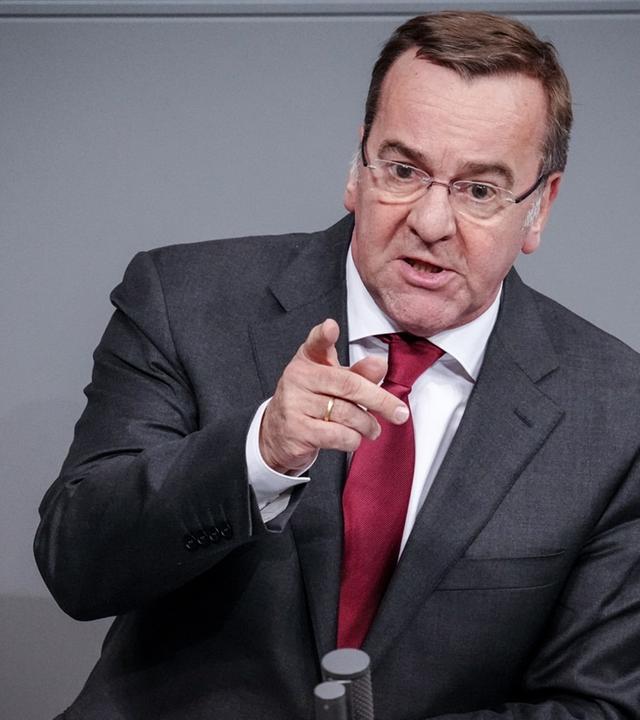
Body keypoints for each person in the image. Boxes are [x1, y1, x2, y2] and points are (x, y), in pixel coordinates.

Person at [34, 10, 640, 720]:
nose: (431, 223)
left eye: (479, 190)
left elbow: (596, 707)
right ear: (357, 169)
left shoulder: (616, 413)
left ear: (539, 208)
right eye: (404, 171)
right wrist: (259, 452)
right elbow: (78, 565)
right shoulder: (183, 301)